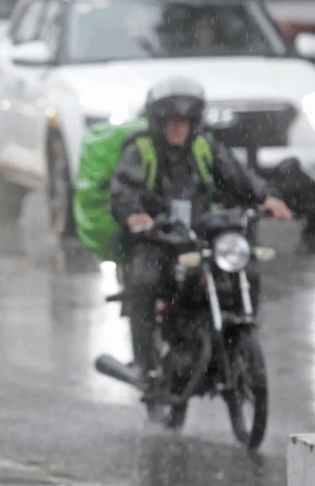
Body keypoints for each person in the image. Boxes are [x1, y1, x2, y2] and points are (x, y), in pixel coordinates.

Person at [110, 76, 292, 391]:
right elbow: (123, 189)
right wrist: (134, 215)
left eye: (183, 122)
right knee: (144, 281)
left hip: (202, 235)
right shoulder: (140, 150)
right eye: (170, 122)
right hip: (158, 238)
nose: (177, 129)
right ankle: (143, 363)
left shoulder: (206, 147)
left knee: (243, 268)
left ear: (194, 123)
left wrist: (267, 197)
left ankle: (236, 339)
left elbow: (240, 177)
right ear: (158, 123)